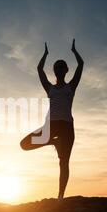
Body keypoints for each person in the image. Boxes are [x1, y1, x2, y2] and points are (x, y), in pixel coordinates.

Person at [20, 39, 84, 200]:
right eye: (57, 66)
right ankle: (53, 142)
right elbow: (39, 69)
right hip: (52, 126)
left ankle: (60, 197)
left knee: (64, 163)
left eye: (62, 66)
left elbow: (81, 65)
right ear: (54, 71)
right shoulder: (50, 88)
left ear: (66, 70)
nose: (59, 68)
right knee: (24, 144)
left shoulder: (71, 86)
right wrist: (45, 54)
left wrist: (74, 51)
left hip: (67, 128)